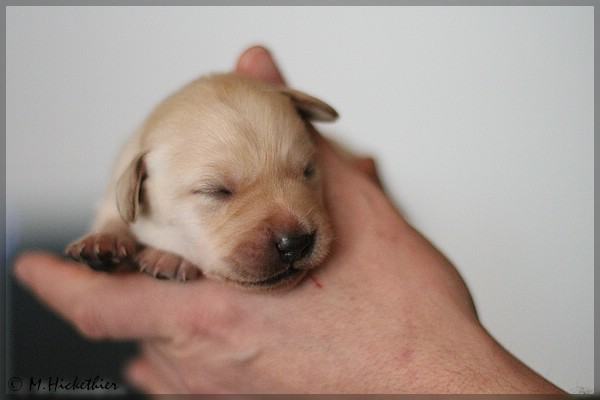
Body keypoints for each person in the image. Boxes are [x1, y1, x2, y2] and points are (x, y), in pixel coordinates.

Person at [14, 46, 563, 394]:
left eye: (304, 172)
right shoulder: (137, 177)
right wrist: (114, 236)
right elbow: (114, 221)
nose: (291, 228)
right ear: (137, 186)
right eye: (220, 192)